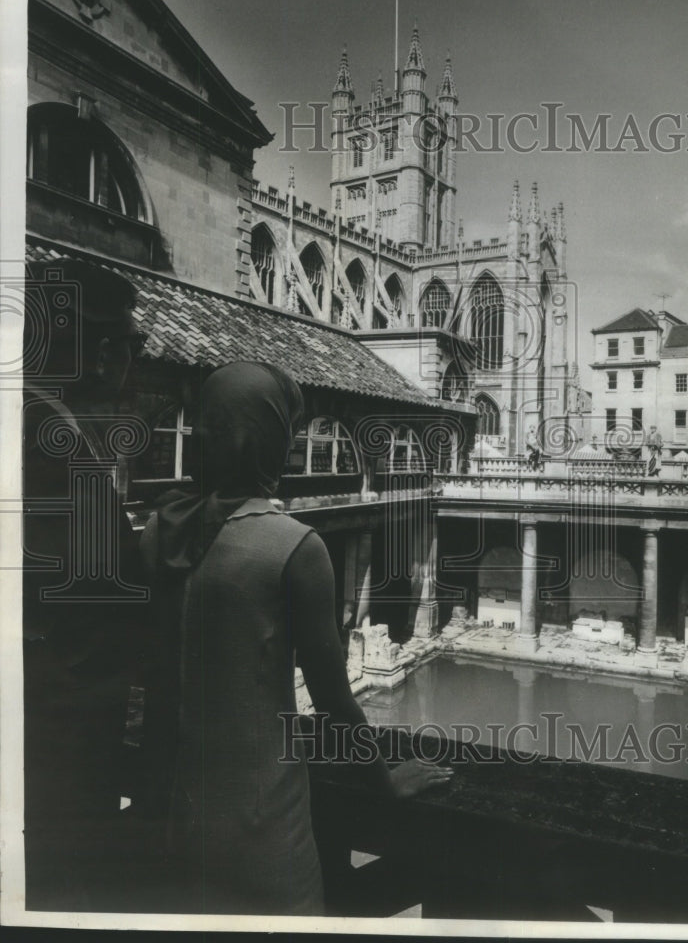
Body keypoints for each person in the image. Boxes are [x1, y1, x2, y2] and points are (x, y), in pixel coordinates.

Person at [137, 361, 450, 916]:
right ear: (274, 442)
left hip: (171, 813)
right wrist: (385, 782)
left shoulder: (164, 529)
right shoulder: (294, 546)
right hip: (261, 819)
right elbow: (332, 700)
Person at [22, 258, 147, 910]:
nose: (135, 363)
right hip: (57, 763)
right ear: (101, 354)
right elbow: (90, 617)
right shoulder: (55, 454)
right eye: (134, 347)